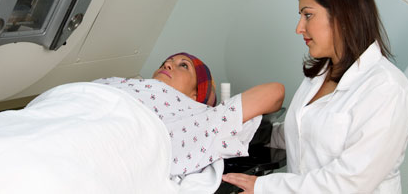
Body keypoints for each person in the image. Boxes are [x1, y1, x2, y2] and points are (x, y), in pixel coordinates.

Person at [222, 0, 408, 193]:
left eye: (308, 15)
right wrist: (241, 133)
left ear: (342, 16)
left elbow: (351, 181)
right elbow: (300, 134)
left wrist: (264, 187)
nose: (299, 28)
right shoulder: (319, 76)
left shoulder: (388, 89)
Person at [94, 52, 285, 176]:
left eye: (183, 65)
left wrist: (219, 109)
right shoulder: (122, 82)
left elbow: (275, 92)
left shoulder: (199, 117)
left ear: (196, 94)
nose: (168, 65)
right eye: (166, 62)